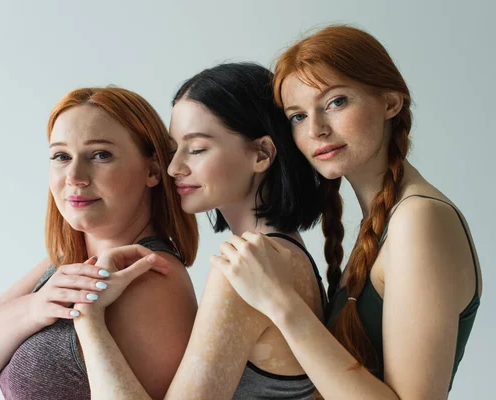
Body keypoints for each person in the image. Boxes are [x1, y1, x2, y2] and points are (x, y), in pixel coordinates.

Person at [212, 25, 482, 399]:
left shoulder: (420, 220)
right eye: (297, 116)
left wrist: (280, 303)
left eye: (336, 102)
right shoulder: (385, 221)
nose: (316, 129)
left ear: (390, 102)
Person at [72, 63, 327, 399]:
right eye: (173, 149)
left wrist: (89, 319)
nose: (174, 168)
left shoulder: (244, 270)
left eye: (196, 149)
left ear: (262, 154)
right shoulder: (288, 253)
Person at [0, 87, 199, 400]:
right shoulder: (65, 265)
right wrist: (35, 307)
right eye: (61, 156)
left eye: (100, 155)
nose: (75, 176)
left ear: (152, 170)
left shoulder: (151, 277)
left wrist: (86, 319)